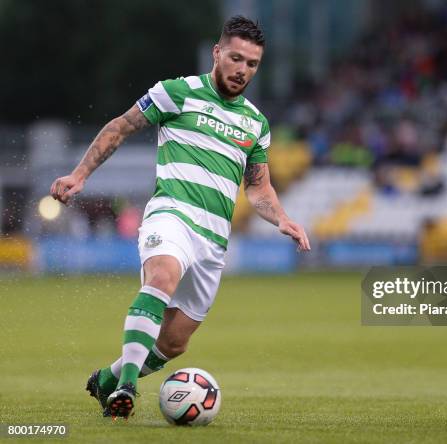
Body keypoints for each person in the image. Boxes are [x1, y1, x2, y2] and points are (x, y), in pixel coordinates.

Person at [50, 16, 310, 419]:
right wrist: (79, 174)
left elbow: (257, 189)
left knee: (174, 343)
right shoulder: (177, 92)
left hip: (213, 240)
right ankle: (127, 387)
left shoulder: (256, 123)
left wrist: (281, 219)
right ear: (217, 52)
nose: (242, 70)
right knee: (162, 277)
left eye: (252, 64)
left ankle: (108, 378)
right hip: (171, 214)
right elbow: (121, 127)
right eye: (236, 58)